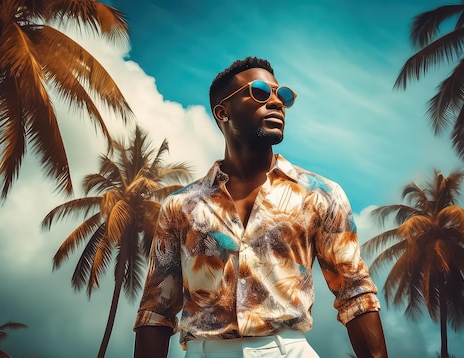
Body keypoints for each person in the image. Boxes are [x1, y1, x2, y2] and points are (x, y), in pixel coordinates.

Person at [133, 57, 388, 358]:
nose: (276, 102)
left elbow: (355, 295)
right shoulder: (181, 206)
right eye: (260, 92)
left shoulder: (321, 195)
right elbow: (157, 311)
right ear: (222, 111)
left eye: (283, 95)